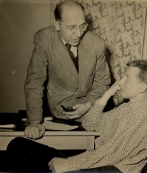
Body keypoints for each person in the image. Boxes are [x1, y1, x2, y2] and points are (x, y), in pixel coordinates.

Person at [7, 59, 147, 172]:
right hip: (98, 161)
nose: (120, 82)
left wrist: (69, 163)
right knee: (18, 144)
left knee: (36, 165)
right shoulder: (126, 108)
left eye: (127, 77)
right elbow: (90, 124)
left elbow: (112, 153)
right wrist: (107, 94)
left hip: (112, 169)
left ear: (142, 87)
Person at [24, 0, 111, 139]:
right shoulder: (45, 39)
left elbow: (102, 82)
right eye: (72, 27)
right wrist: (34, 121)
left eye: (82, 26)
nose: (78, 34)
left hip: (91, 110)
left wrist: (88, 104)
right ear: (58, 24)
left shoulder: (97, 43)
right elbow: (35, 81)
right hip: (58, 112)